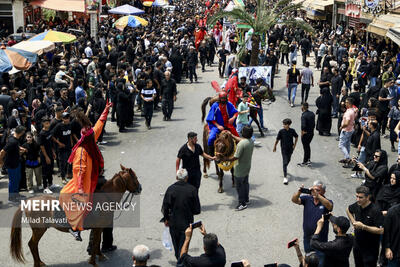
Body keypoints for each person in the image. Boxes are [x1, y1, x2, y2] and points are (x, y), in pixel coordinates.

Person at [59, 103, 111, 241]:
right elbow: (79, 171)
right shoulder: (82, 150)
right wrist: (81, 188)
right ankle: (74, 227)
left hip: (91, 177)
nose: (92, 132)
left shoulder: (89, 139)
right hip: (84, 182)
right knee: (80, 201)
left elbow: (98, 126)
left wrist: (105, 111)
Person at [161, 168, 201, 262]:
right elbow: (197, 210)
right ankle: (181, 262)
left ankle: (179, 261)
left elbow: (165, 207)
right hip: (187, 224)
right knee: (184, 247)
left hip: (173, 224)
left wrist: (166, 219)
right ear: (187, 178)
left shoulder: (170, 189)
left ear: (176, 177)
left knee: (176, 247)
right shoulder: (192, 190)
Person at [291, 181, 333, 266]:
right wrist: (299, 192)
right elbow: (294, 200)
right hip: (307, 237)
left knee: (320, 262)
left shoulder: (327, 201)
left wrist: (318, 196)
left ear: (323, 192)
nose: (314, 191)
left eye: (317, 190)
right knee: (308, 260)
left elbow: (330, 207)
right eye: (313, 189)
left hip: (320, 239)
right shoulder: (307, 198)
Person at [346, 186, 384, 267]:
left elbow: (381, 230)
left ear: (368, 197)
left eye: (360, 197)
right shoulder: (357, 205)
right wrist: (353, 221)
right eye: (356, 196)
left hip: (370, 249)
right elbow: (348, 210)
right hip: (357, 246)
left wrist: (363, 226)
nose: (357, 199)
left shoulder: (375, 210)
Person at [224, 125, 254, 211]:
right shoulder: (250, 141)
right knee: (245, 184)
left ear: (243, 133)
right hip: (247, 167)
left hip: (239, 169)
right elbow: (243, 141)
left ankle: (242, 203)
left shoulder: (241, 144)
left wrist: (224, 159)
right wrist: (232, 135)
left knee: (239, 187)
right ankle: (246, 199)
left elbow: (235, 157)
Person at [0, 125, 26, 202]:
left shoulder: (14, 138)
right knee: (13, 180)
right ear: (21, 133)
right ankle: (11, 197)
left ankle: (16, 194)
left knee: (17, 179)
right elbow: (2, 151)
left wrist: (20, 148)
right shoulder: (12, 142)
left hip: (17, 162)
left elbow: (16, 146)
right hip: (11, 164)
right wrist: (1, 161)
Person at [273, 118, 298, 184]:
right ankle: (285, 177)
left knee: (288, 160)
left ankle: (285, 168)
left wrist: (294, 145)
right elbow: (277, 139)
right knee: (284, 162)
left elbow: (296, 137)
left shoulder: (292, 131)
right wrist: (275, 146)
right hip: (283, 149)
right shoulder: (281, 131)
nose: (283, 125)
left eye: (285, 124)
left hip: (290, 149)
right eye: (283, 124)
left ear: (288, 125)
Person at [52, 112, 72, 184]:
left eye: (68, 118)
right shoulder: (59, 126)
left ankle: (68, 174)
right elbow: (52, 136)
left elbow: (70, 134)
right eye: (65, 118)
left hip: (69, 146)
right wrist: (59, 143)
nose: (67, 120)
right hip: (61, 148)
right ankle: (63, 177)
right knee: (62, 163)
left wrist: (71, 142)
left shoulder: (70, 125)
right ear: (62, 119)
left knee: (69, 161)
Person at [38, 116, 54, 194]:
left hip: (50, 152)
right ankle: (45, 187)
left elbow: (50, 143)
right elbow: (42, 146)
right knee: (45, 171)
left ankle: (50, 184)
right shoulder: (41, 134)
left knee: (51, 169)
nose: (48, 123)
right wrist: (46, 157)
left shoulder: (49, 131)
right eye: (46, 122)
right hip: (45, 155)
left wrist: (53, 152)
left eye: (48, 122)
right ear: (43, 124)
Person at [338, 97, 356, 166]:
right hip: (350, 129)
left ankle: (348, 158)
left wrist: (342, 126)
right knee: (347, 145)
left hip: (346, 130)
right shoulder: (353, 110)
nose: (345, 103)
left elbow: (347, 122)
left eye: (346, 102)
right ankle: (347, 160)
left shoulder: (349, 112)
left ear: (349, 103)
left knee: (341, 145)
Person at [298, 102, 315, 167]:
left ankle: (305, 161)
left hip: (306, 133)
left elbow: (303, 125)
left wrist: (303, 132)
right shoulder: (312, 114)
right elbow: (313, 124)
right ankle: (308, 159)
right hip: (311, 133)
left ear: (303, 107)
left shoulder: (303, 116)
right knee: (308, 146)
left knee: (305, 147)